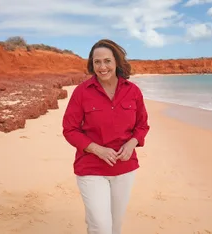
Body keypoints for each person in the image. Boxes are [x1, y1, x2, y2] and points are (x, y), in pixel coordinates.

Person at [62, 39, 150, 234]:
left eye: (107, 61)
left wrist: (132, 144)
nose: (102, 67)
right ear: (91, 64)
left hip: (125, 168)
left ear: (117, 62)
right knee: (100, 227)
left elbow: (142, 125)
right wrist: (97, 149)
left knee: (115, 225)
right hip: (91, 168)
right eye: (97, 62)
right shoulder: (82, 92)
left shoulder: (132, 91)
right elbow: (70, 129)